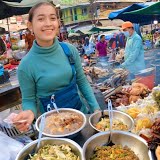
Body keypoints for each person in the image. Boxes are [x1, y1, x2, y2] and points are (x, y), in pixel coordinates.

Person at [13, 2, 100, 132]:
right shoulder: (26, 66)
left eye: (53, 18)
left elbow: (81, 81)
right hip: (52, 130)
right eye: (41, 19)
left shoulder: (69, 50)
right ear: (30, 25)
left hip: (81, 119)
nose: (48, 23)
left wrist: (96, 109)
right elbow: (29, 100)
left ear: (58, 22)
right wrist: (29, 113)